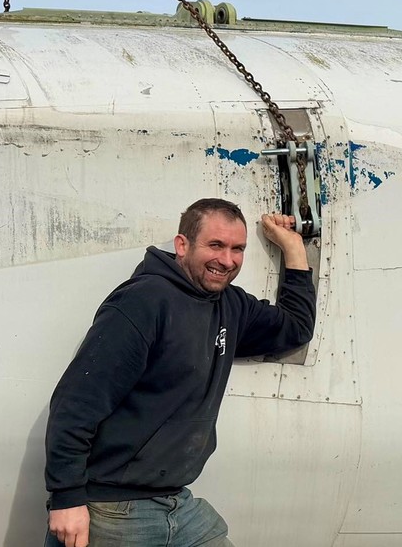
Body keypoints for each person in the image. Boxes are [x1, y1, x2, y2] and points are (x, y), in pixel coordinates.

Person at [44, 198, 316, 547]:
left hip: (179, 505)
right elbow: (76, 403)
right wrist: (66, 498)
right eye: (215, 245)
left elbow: (295, 328)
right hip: (113, 510)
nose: (227, 260)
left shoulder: (231, 305)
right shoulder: (144, 302)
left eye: (237, 249)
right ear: (182, 245)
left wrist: (293, 247)